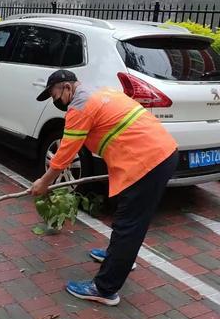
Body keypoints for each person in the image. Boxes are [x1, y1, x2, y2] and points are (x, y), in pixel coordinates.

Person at [30, 69, 178, 306]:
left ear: (67, 88)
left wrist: (44, 183)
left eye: (54, 94)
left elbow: (64, 155)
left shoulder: (79, 107)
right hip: (159, 154)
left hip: (148, 162)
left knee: (129, 223)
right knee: (126, 215)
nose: (54, 100)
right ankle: (119, 256)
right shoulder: (100, 92)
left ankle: (105, 288)